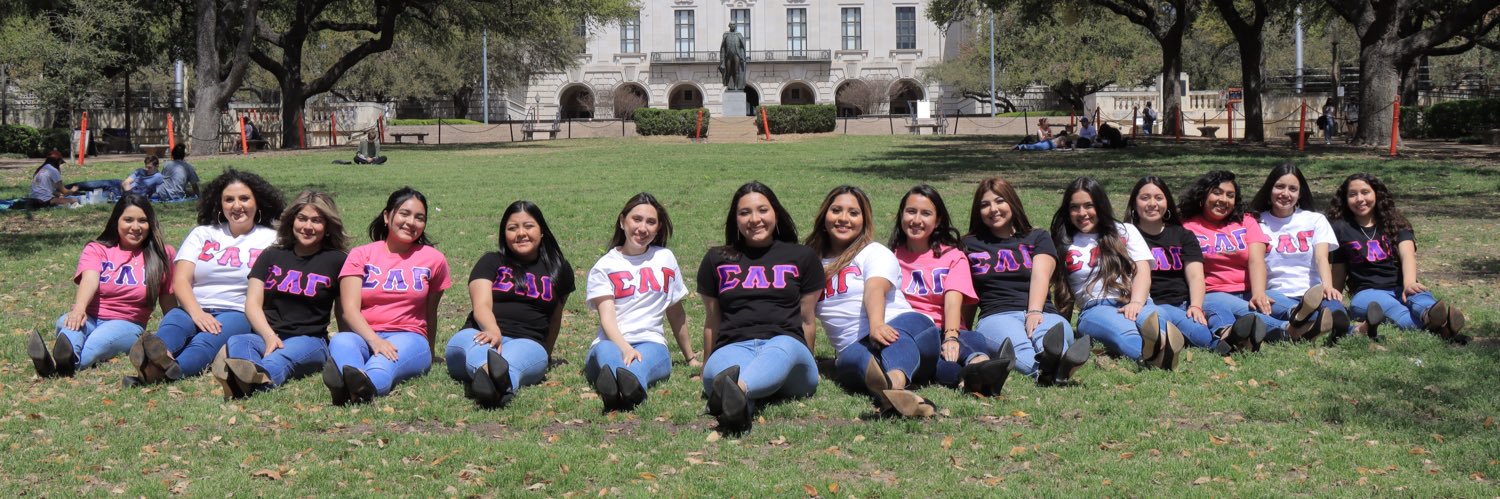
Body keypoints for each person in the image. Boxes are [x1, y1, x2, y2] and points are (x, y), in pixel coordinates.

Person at [128, 169, 284, 386]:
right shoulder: (202, 233)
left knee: (205, 343)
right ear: (219, 204)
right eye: (229, 199)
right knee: (172, 326)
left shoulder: (272, 239)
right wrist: (197, 313)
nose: (236, 205)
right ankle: (159, 358)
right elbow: (181, 280)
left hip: (236, 311)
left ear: (258, 201)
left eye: (244, 198)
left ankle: (166, 372)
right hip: (194, 307)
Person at [699, 181, 823, 434]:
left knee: (783, 345)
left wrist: (808, 361)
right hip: (733, 347)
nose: (754, 219)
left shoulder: (802, 257)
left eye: (762, 210)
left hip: (788, 352)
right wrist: (705, 366)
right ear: (735, 219)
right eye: (745, 213)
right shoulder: (716, 258)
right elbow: (712, 319)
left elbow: (807, 319)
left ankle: (737, 390)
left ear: (776, 213)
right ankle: (740, 406)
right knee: (718, 372)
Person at [807, 185, 940, 418]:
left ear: (864, 220)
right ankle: (893, 390)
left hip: (903, 325)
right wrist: (808, 360)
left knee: (895, 337)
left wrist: (877, 324)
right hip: (852, 346)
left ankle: (894, 385)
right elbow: (802, 314)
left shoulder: (873, 251)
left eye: (853, 213)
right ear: (824, 216)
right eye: (836, 210)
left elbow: (875, 287)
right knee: (855, 360)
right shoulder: (811, 263)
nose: (843, 219)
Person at [214, 190, 349, 399]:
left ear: (328, 226)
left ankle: (245, 382)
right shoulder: (271, 255)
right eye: (302, 218)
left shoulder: (338, 261)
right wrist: (269, 337)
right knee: (240, 341)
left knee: (280, 359)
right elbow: (252, 304)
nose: (308, 227)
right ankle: (245, 377)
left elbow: (344, 312)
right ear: (292, 220)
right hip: (265, 335)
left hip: (309, 340)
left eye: (317, 221)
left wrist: (348, 349)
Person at [27, 195, 176, 377]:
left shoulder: (162, 254)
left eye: (142, 221)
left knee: (96, 345)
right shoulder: (97, 249)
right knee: (70, 328)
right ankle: (62, 362)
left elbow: (168, 297)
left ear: (151, 224)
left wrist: (174, 332)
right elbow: (90, 279)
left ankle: (52, 367)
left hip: (127, 323)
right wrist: (79, 310)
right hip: (89, 316)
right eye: (128, 220)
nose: (135, 227)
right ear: (116, 221)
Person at [328, 187, 451, 405]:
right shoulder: (361, 255)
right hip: (365, 335)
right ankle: (353, 383)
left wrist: (429, 353)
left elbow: (431, 312)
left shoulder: (434, 260)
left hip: (410, 337)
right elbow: (349, 310)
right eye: (404, 213)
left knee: (384, 362)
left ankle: (359, 389)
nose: (411, 222)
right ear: (387, 216)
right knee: (342, 341)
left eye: (419, 218)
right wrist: (374, 340)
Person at [445, 201, 573, 409]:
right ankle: (490, 374)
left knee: (513, 362)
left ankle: (494, 386)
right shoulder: (491, 261)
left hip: (528, 341)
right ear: (504, 234)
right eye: (513, 228)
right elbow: (482, 305)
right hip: (478, 333)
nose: (521, 233)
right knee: (480, 350)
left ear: (542, 231)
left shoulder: (558, 269)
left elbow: (555, 317)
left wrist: (546, 353)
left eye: (528, 226)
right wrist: (492, 331)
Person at [1052, 177, 1185, 369]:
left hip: (1136, 300)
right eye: (1075, 207)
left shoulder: (1125, 231)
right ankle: (1154, 356)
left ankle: (1161, 345)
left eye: (1089, 205)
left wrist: (1136, 303)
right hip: (1095, 309)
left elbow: (1143, 271)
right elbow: (1055, 285)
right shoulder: (1063, 242)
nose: (1082, 213)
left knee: (1156, 318)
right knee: (1125, 332)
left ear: (1101, 206)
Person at [890, 185, 1009, 395]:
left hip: (950, 329)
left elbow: (953, 300)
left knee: (969, 341)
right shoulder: (890, 258)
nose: (916, 220)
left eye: (926, 213)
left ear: (937, 221)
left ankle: (976, 369)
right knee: (945, 359)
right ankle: (979, 366)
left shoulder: (953, 256)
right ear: (901, 215)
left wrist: (951, 336)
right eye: (911, 211)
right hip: (915, 335)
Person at [582, 193, 696, 412]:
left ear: (658, 228)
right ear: (622, 220)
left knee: (640, 365)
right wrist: (625, 348)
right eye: (637, 219)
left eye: (651, 222)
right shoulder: (604, 266)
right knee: (607, 354)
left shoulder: (665, 258)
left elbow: (675, 311)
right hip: (611, 343)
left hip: (651, 343)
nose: (643, 228)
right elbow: (607, 318)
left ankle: (625, 388)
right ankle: (623, 388)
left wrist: (690, 357)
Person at [962, 177, 1080, 386]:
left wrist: (1034, 312)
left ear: (1012, 203)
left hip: (1043, 312)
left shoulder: (1037, 237)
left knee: (1048, 338)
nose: (993, 209)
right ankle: (1051, 371)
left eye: (1000, 201)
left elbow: (1041, 275)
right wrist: (964, 332)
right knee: (1018, 345)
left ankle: (1053, 361)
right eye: (985, 205)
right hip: (997, 315)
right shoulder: (969, 244)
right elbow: (966, 292)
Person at [1327, 173, 1467, 343]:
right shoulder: (1340, 228)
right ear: (1345, 199)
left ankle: (1431, 315)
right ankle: (1443, 328)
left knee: (1420, 297)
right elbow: (1339, 269)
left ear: (1376, 194)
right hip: (1367, 293)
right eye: (1353, 194)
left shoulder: (1395, 223)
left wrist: (1409, 284)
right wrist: (1335, 301)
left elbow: (1407, 255)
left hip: (1400, 285)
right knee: (1397, 311)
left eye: (1365, 192)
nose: (1360, 199)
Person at [1180, 170, 1299, 351]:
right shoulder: (1187, 227)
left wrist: (1259, 293)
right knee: (1231, 311)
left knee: (1281, 303)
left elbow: (1256, 260)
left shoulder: (1246, 221)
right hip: (1212, 294)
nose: (1224, 200)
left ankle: (1303, 316)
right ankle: (1287, 330)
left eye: (1230, 195)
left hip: (1249, 291)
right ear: (1203, 195)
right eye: (1217, 193)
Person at [1125, 176, 1236, 355]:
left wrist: (1196, 306)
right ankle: (1216, 344)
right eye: (1145, 198)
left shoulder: (1183, 235)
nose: (1152, 203)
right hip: (1159, 304)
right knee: (1198, 331)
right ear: (1134, 203)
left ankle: (1228, 333)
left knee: (1218, 308)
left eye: (1158, 198)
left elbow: (1195, 276)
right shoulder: (1126, 236)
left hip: (1186, 300)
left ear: (1167, 203)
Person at [1249, 163, 1350, 343]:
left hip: (1313, 292)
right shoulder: (1256, 221)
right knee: (1289, 311)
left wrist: (1327, 286)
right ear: (1269, 189)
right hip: (1277, 293)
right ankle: (1315, 323)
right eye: (1280, 186)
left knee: (1337, 312)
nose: (1285, 194)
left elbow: (1321, 257)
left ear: (1300, 194)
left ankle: (1334, 325)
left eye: (1293, 189)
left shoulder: (1315, 220)